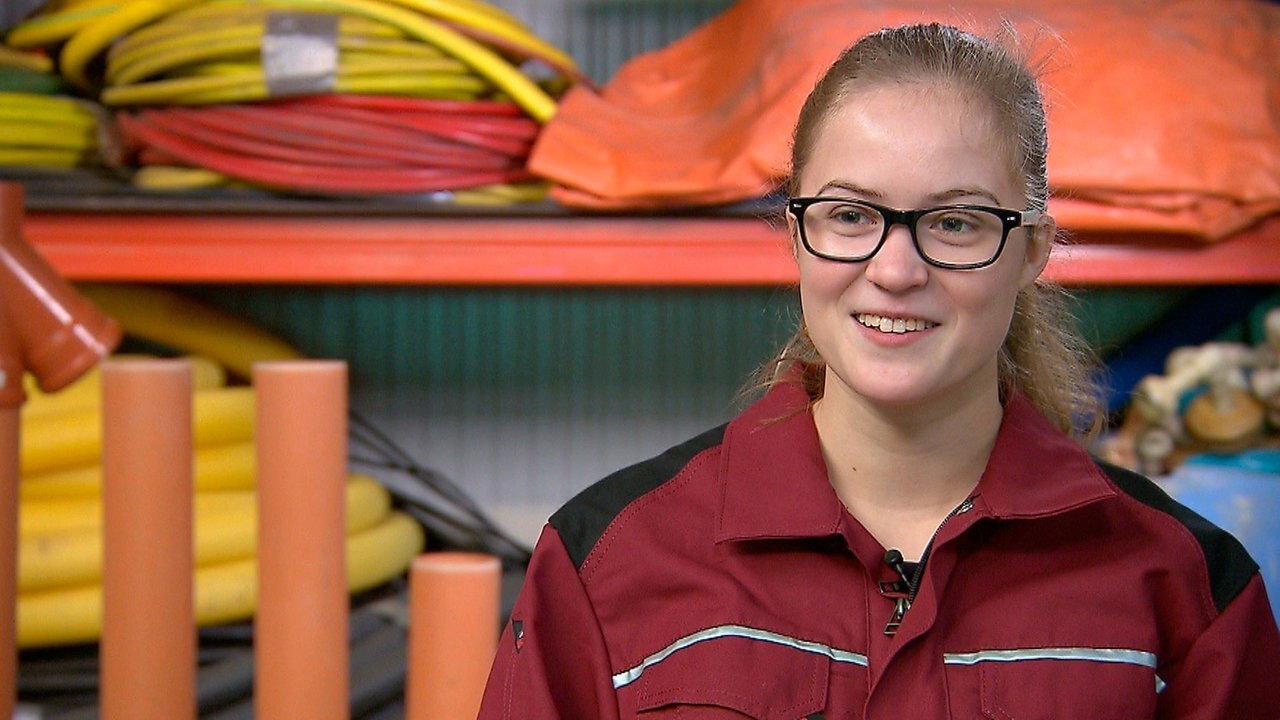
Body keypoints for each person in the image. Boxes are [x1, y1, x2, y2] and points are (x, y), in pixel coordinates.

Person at [476, 22, 1280, 719]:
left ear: (1032, 250)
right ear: (795, 235)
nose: (895, 271)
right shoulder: (609, 561)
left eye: (955, 222)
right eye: (851, 215)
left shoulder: (1187, 590)